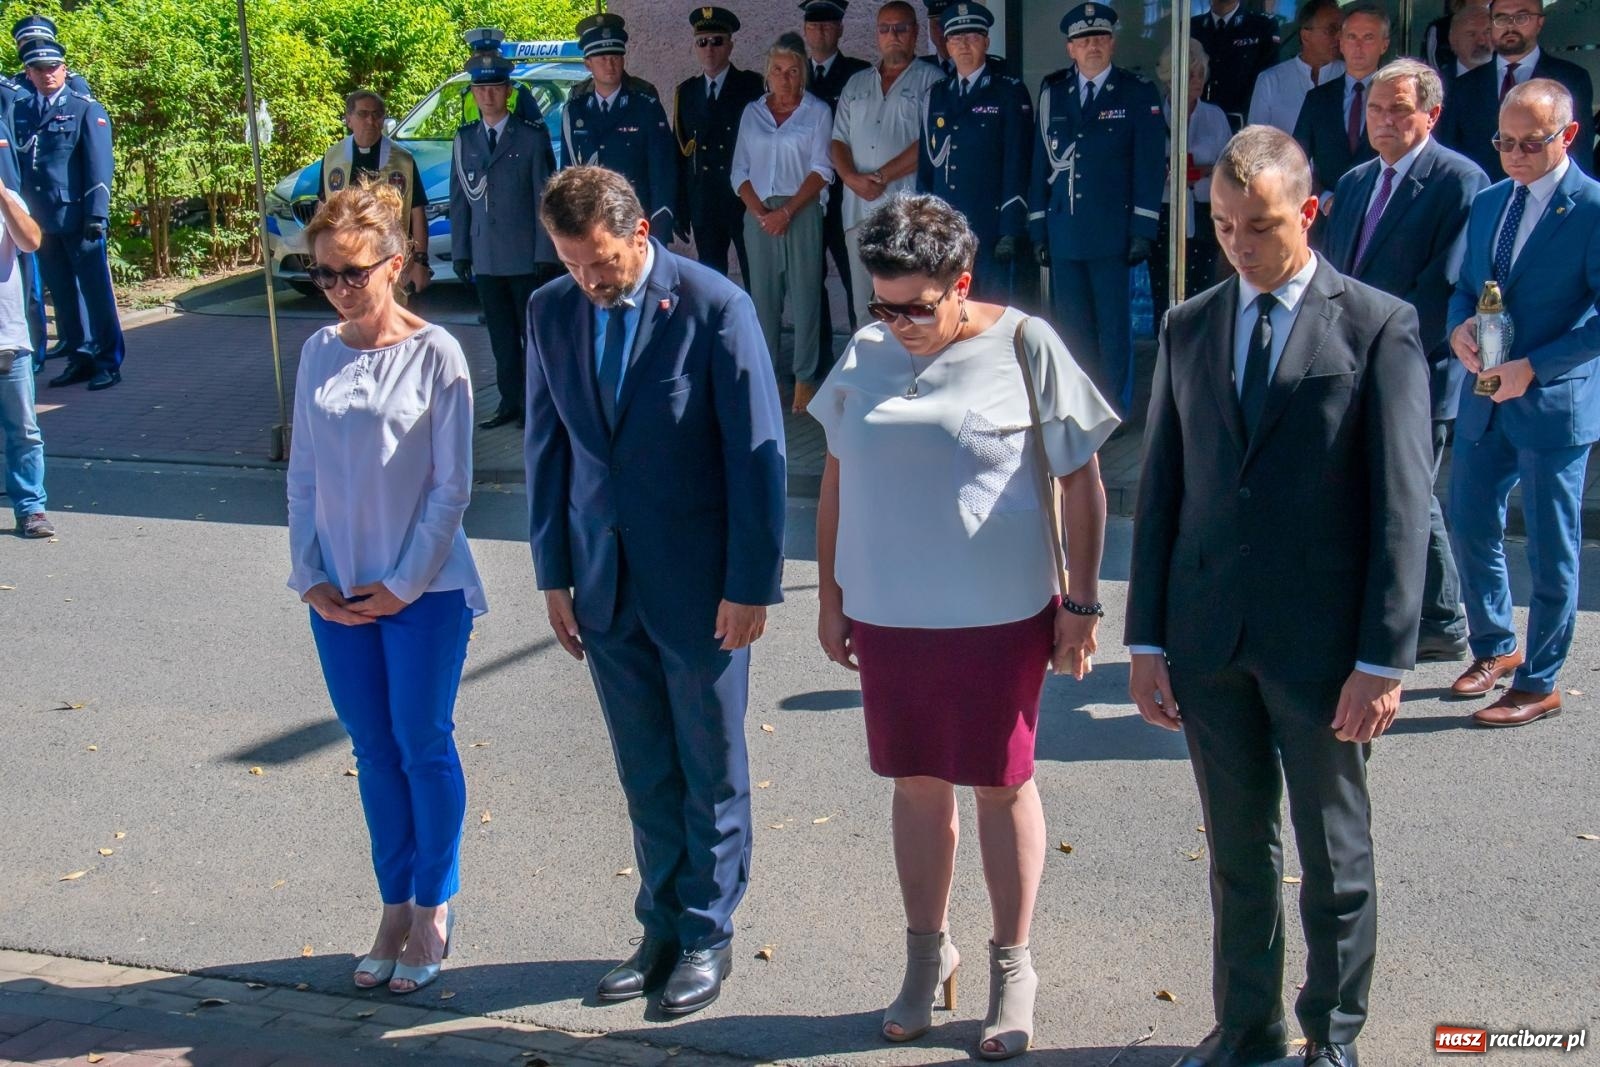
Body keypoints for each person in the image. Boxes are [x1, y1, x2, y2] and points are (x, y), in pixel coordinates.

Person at [1127, 125, 1432, 1067]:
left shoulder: (1378, 324)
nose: (1240, 246)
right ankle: (1247, 1025)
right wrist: (1144, 641)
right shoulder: (1189, 324)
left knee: (1334, 854)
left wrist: (1382, 659)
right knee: (1236, 853)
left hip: (1326, 647)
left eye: (1258, 226)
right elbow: (1164, 490)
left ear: (1307, 212)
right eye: (1222, 226)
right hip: (1211, 636)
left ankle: (1331, 1033)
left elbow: (1403, 501)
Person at [811, 192, 1115, 1059]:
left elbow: (1082, 479)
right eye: (883, 302)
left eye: (917, 304)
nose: (898, 321)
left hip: (998, 614)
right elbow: (836, 473)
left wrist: (1083, 603)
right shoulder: (866, 350)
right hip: (889, 612)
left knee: (1000, 783)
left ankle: (1013, 965)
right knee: (914, 781)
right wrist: (832, 594)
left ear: (962, 283)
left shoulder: (1024, 344)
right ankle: (923, 954)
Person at [524, 166, 785, 1015]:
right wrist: (553, 572)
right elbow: (548, 452)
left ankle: (709, 931)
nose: (588, 281)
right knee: (644, 767)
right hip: (602, 586)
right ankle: (662, 925)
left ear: (640, 234)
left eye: (600, 262)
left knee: (710, 764)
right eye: (571, 264)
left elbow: (758, 462)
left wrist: (751, 585)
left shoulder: (715, 308)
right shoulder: (550, 311)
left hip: (702, 589)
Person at [287, 180, 485, 997]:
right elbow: (302, 474)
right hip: (337, 592)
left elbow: (451, 489)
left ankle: (434, 905)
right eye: (324, 273)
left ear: (396, 265)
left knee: (421, 743)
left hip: (423, 593)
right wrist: (309, 574)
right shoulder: (316, 352)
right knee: (373, 753)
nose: (338, 288)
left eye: (352, 272)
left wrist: (404, 584)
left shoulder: (438, 353)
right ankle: (392, 905)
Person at [1322, 60, 1490, 664]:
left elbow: (1445, 287)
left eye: (1399, 109)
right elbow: (1338, 274)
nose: (1386, 120)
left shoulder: (1460, 181)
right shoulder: (1359, 180)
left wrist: (1378, 350)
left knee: (1411, 493)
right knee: (1383, 492)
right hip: (1352, 365)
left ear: (1431, 114)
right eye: (1375, 109)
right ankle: (1419, 614)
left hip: (1420, 368)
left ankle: (1442, 620)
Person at [1445, 79, 1600, 727]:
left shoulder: (1591, 207)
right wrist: (1458, 329)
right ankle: (1496, 647)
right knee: (1469, 518)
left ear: (1566, 136)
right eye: (1503, 141)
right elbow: (1465, 287)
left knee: (1549, 547)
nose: (1513, 154)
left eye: (1529, 143)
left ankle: (1539, 681)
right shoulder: (1488, 203)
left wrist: (1535, 366)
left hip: (1552, 403)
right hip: (1485, 396)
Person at [1027, 2, 1164, 418]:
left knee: (1113, 330)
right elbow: (1039, 164)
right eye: (1084, 40)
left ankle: (1112, 410)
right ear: (1070, 48)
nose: (1093, 46)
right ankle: (1077, 408)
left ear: (1113, 43)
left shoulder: (1136, 92)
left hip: (1112, 233)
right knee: (1071, 329)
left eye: (1100, 38)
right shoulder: (1053, 92)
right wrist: (1037, 228)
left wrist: (1144, 227)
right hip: (1065, 231)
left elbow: (1150, 163)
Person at [448, 34, 559, 431]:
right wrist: (461, 251)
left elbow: (542, 200)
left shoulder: (529, 138)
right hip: (488, 257)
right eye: (482, 89)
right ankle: (509, 402)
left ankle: (534, 405)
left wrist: (546, 254)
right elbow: (460, 200)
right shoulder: (464, 141)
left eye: (496, 88)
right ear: (474, 94)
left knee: (532, 338)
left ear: (508, 92)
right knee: (501, 339)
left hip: (525, 256)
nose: (489, 95)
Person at [13, 35, 123, 391]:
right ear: (28, 73)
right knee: (62, 296)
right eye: (39, 69)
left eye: (53, 68)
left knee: (96, 294)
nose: (47, 75)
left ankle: (108, 361)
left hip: (79, 218)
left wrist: (97, 214)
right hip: (41, 222)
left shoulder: (84, 108)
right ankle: (79, 356)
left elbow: (98, 166)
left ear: (64, 69)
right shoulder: (23, 110)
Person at [731, 33, 834, 411]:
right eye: (778, 70)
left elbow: (822, 169)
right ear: (767, 73)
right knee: (763, 300)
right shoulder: (752, 113)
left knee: (806, 297)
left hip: (801, 211)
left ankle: (805, 379)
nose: (785, 78)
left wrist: (787, 211)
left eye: (792, 71)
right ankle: (769, 377)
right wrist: (761, 212)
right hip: (758, 214)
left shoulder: (817, 112)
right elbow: (738, 170)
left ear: (802, 73)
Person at [830, 1, 942, 327]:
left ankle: (906, 371)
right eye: (885, 29)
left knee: (906, 301)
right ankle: (868, 374)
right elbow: (837, 140)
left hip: (905, 210)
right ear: (877, 35)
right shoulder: (856, 84)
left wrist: (880, 176)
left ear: (916, 33)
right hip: (857, 210)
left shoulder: (932, 81)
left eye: (901, 28)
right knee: (864, 303)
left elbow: (929, 143)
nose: (892, 35)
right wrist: (851, 177)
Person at [915, 3, 1034, 303]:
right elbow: (928, 166)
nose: (964, 45)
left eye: (972, 37)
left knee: (991, 311)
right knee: (949, 308)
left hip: (991, 227)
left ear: (986, 42)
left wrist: (1010, 227)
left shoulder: (1008, 91)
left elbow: (1017, 162)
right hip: (946, 227)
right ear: (947, 45)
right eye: (956, 38)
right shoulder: (936, 94)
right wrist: (923, 221)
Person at [1435, 0, 1594, 179]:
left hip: (1547, 197)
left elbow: (1580, 151)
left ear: (1539, 22)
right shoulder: (1462, 86)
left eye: (1522, 17)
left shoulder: (1571, 79)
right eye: (1501, 18)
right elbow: (1447, 151)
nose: (1510, 26)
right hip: (1481, 199)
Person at [802, 0, 872, 373]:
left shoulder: (859, 74)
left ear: (841, 28)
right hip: (809, 199)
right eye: (814, 25)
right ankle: (820, 361)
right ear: (805, 30)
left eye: (829, 24)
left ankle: (858, 358)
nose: (821, 31)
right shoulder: (795, 74)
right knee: (810, 283)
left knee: (855, 280)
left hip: (848, 198)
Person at [562, 13, 678, 235]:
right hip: (591, 221)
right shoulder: (575, 109)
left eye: (615, 57)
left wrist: (661, 219)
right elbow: (568, 172)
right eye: (602, 58)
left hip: (635, 219)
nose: (610, 64)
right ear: (588, 64)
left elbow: (662, 169)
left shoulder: (645, 106)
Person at [673, 6, 764, 279]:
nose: (709, 49)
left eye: (717, 41)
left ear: (730, 45)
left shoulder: (751, 86)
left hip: (743, 197)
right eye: (702, 42)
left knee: (755, 273)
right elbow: (680, 153)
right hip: (704, 199)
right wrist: (680, 207)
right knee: (711, 277)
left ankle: (756, 322)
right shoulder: (686, 92)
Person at [321, 90, 431, 297]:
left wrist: (421, 261)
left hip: (391, 259)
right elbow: (323, 207)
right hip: (346, 260)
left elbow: (417, 212)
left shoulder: (402, 160)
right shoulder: (333, 157)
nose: (370, 120)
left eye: (377, 114)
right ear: (349, 119)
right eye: (363, 114)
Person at [1151, 39, 1231, 313]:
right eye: (1190, 74)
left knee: (1204, 289)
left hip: (1205, 212)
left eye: (1200, 74)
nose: (1197, 81)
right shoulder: (1153, 116)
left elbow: (1230, 166)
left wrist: (1204, 170)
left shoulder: (1215, 116)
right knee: (1163, 288)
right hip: (1165, 211)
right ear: (1170, 77)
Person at [0, 113, 50, 539]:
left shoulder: (9, 199)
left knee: (23, 431)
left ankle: (31, 508)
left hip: (8, 340)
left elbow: (32, 241)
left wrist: (1, 193)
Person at [1294, 4, 1385, 216]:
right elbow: (1296, 160)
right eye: (1352, 37)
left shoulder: (1399, 100)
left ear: (1384, 44)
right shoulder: (1317, 98)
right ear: (1341, 43)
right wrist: (1325, 199)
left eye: (1369, 37)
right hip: (1327, 221)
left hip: (1381, 218)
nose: (1359, 46)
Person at [1246, 0, 1344, 136]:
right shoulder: (1270, 81)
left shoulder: (1351, 75)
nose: (1339, 37)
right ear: (1306, 36)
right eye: (1331, 30)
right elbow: (1254, 142)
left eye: (1343, 30)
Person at [1192, 0, 1280, 130]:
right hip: (1198, 125)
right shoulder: (1192, 27)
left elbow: (1269, 80)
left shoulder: (1262, 26)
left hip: (1243, 125)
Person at [1439, 3, 1493, 100]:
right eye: (1472, 34)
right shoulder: (1438, 82)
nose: (1481, 41)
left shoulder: (1510, 78)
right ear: (1453, 39)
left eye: (1487, 32)